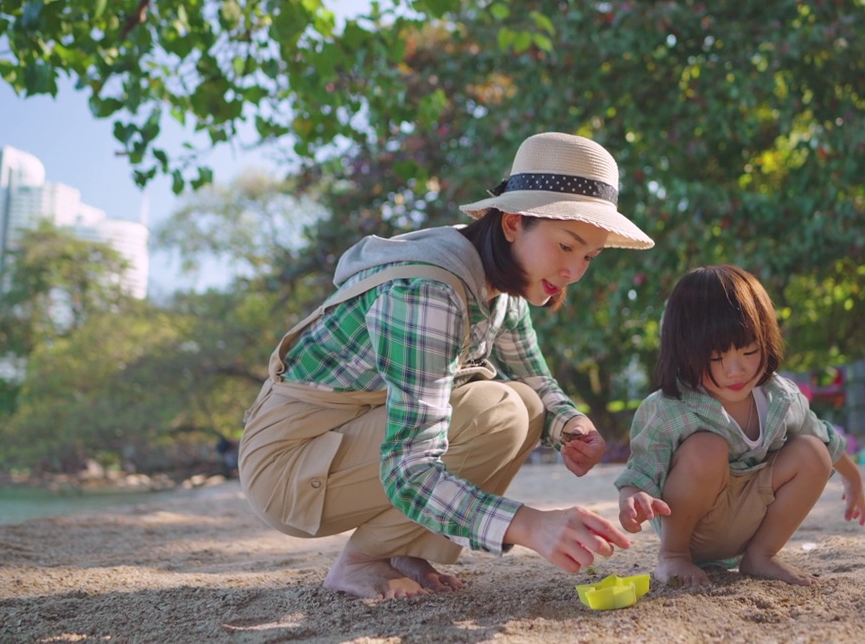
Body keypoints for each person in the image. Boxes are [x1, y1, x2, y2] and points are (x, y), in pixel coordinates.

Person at [238, 132, 655, 600]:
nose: (575, 272)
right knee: (498, 409)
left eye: (589, 257)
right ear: (514, 222)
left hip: (343, 442)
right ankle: (361, 562)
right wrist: (529, 525)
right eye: (566, 247)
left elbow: (534, 378)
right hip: (289, 465)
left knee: (524, 404)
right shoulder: (429, 291)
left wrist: (569, 424)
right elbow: (409, 467)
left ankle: (402, 547)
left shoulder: (502, 280)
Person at [615, 264, 865, 588]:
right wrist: (631, 499)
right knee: (707, 448)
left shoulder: (781, 397)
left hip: (754, 520)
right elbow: (640, 470)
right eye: (717, 358)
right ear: (684, 351)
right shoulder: (669, 408)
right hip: (694, 528)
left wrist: (853, 477)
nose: (736, 370)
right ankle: (673, 556)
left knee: (812, 451)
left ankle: (761, 556)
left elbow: (825, 439)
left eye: (749, 350)